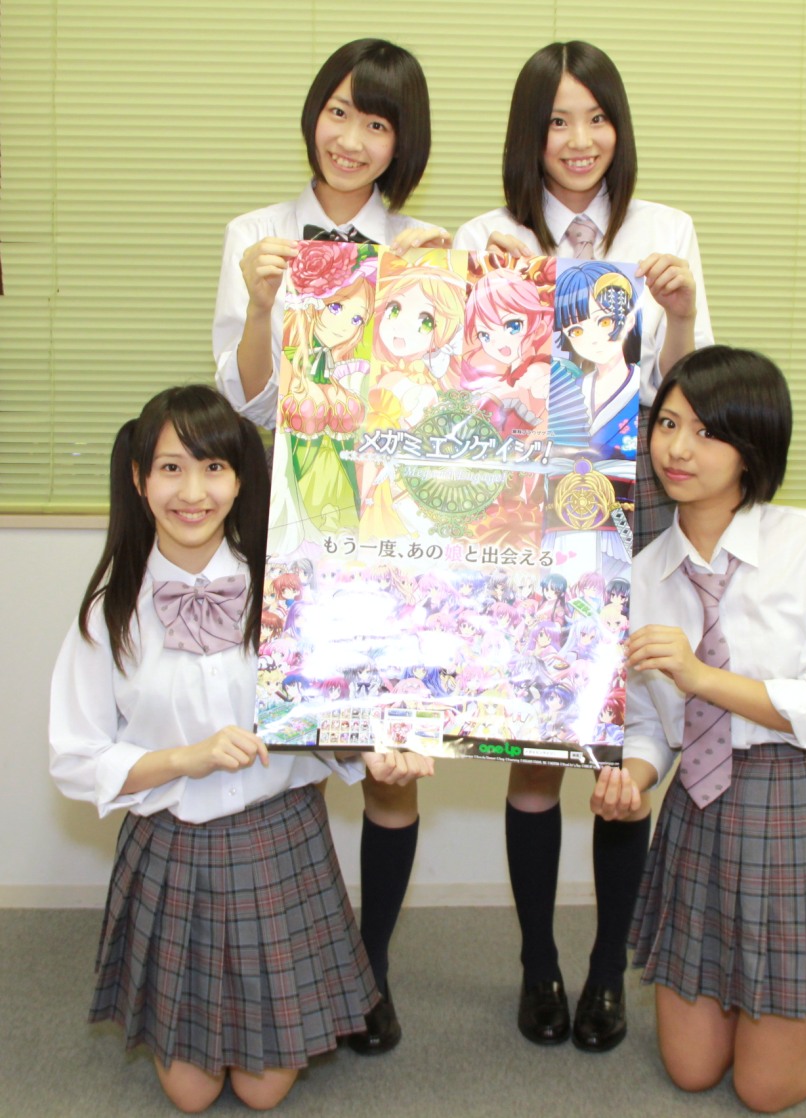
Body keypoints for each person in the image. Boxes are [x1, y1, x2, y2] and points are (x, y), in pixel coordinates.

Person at [49, 386, 432, 1111]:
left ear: (241, 479)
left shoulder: (288, 590)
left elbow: (327, 715)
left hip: (279, 845)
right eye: (171, 468)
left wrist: (376, 752)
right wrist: (183, 759)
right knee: (192, 1094)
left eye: (214, 467)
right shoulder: (110, 611)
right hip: (172, 849)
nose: (193, 492)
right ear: (138, 479)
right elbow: (75, 757)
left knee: (262, 1091)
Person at [591, 345, 806, 1111]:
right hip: (699, 810)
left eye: (707, 432)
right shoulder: (641, 573)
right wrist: (632, 779)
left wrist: (701, 676)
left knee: (764, 1088)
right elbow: (650, 725)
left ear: (753, 447)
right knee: (691, 1071)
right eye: (667, 424)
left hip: (797, 796)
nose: (678, 449)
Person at [453, 39, 713, 1054]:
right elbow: (455, 393)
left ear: (618, 127)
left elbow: (688, 395)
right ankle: (537, 960)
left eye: (596, 117)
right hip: (522, 497)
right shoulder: (486, 235)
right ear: (530, 133)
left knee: (620, 743)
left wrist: (678, 313)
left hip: (630, 491)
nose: (579, 139)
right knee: (536, 748)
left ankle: (609, 968)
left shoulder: (665, 230)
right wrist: (477, 295)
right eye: (558, 120)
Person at [212, 38, 450, 1052]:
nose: (351, 139)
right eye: (340, 112)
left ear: (402, 143)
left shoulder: (427, 246)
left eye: (378, 123)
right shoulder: (256, 234)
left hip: (391, 527)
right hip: (290, 517)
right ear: (314, 113)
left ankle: (371, 969)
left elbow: (447, 400)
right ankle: (278, 955)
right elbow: (244, 403)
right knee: (285, 730)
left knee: (388, 760)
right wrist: (265, 301)